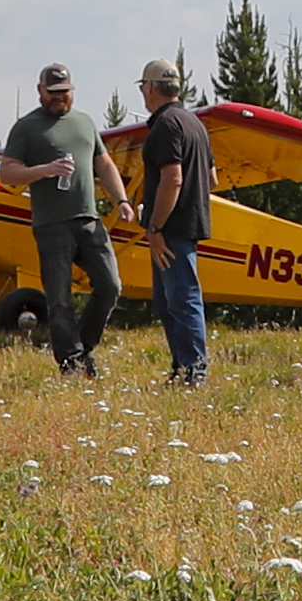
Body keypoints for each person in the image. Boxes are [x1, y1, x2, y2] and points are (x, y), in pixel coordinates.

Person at [0, 61, 119, 378]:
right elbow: (7, 172)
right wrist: (43, 171)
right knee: (59, 299)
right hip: (51, 225)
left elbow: (104, 165)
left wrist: (123, 201)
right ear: (41, 91)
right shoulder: (26, 127)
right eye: (53, 92)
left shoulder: (85, 123)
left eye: (65, 92)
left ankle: (84, 347)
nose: (59, 97)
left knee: (110, 286)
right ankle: (71, 362)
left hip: (90, 220)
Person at [135, 57, 215, 384]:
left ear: (151, 87)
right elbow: (212, 180)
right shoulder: (194, 123)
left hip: (172, 231)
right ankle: (182, 368)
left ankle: (194, 373)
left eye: (143, 86)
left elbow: (173, 179)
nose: (143, 91)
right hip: (188, 224)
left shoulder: (165, 125)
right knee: (168, 302)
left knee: (182, 300)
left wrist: (155, 227)